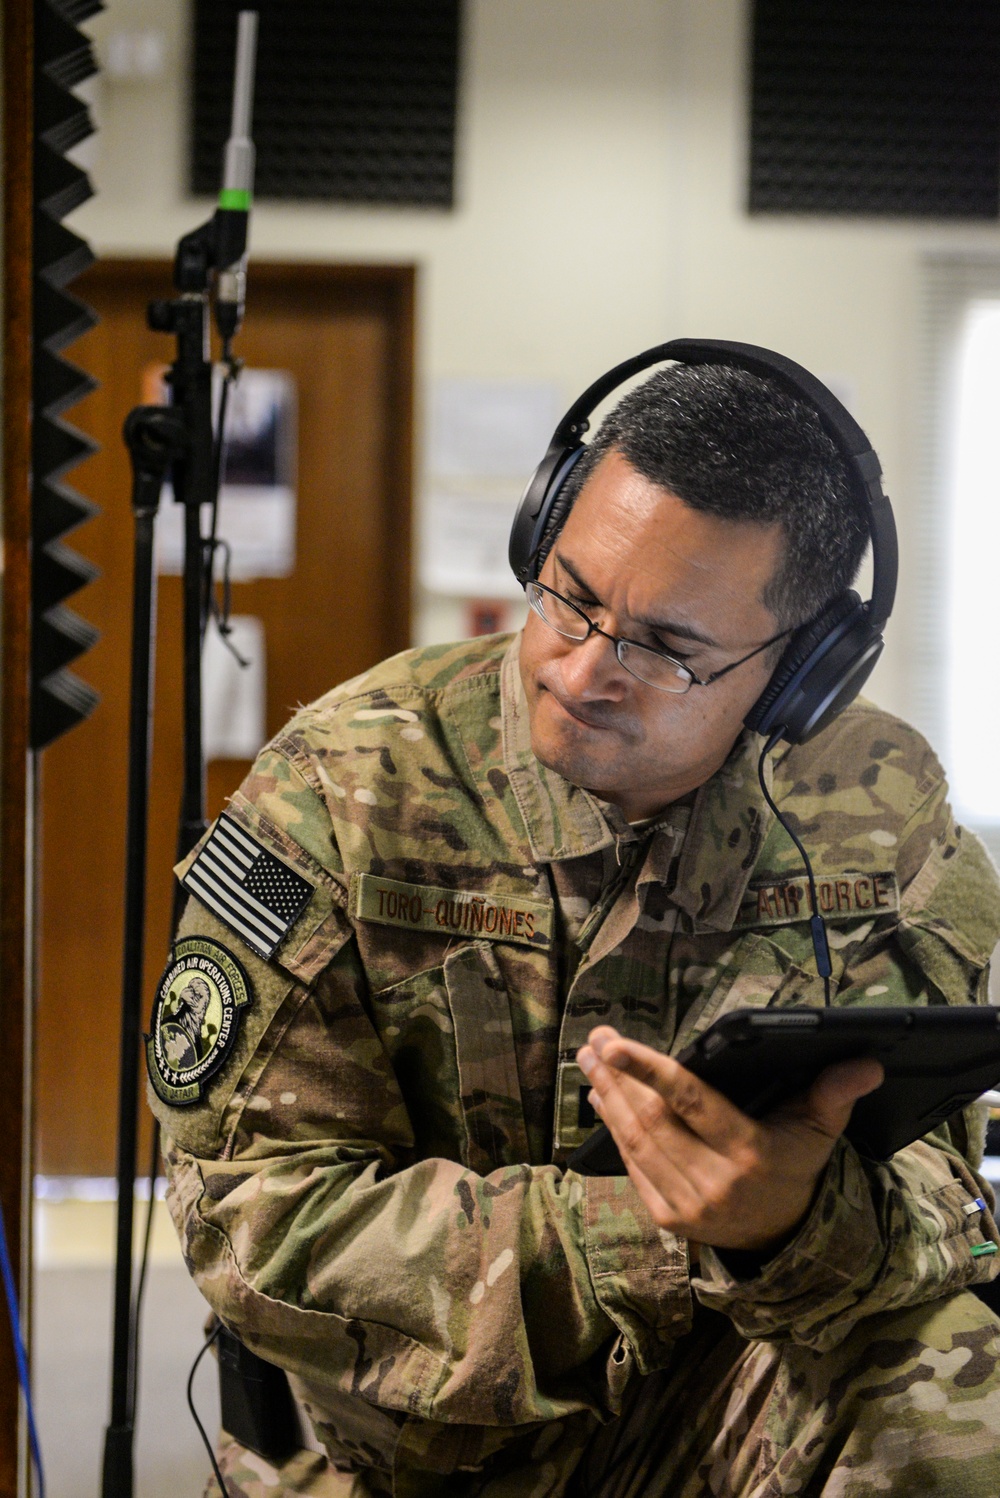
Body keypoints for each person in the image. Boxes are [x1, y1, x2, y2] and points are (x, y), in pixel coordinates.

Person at [148, 356, 1000, 1497]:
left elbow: (947, 1195)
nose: (584, 668)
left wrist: (794, 1221)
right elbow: (254, 1216)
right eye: (570, 594)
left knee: (951, 1388)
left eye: (665, 647)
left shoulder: (877, 804)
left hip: (713, 1416)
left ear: (800, 670)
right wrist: (669, 1232)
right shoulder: (348, 782)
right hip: (397, 1449)